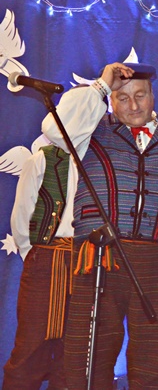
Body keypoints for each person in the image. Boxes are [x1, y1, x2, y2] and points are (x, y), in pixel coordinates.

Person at [41, 62, 158, 389]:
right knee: (86, 354)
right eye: (122, 98)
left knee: (157, 357)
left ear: (153, 95)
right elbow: (54, 128)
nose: (133, 106)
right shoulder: (86, 131)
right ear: (110, 100)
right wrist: (100, 85)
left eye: (140, 95)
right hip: (98, 258)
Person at [3, 144, 76, 390]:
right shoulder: (44, 159)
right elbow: (22, 216)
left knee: (77, 355)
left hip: (91, 262)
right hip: (47, 260)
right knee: (31, 347)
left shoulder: (106, 159)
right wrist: (36, 256)